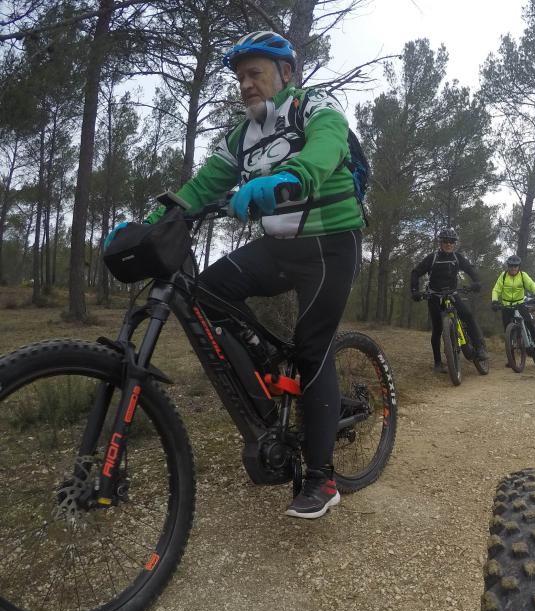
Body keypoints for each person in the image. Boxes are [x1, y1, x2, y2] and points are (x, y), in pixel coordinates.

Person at [105, 31, 364, 519]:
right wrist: (149, 225)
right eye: (240, 77)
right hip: (280, 246)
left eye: (254, 73)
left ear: (285, 73)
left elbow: (327, 147)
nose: (245, 84)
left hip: (330, 244)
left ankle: (321, 478)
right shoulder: (241, 136)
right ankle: (269, 366)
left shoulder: (313, 106)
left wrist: (291, 177)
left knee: (313, 350)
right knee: (205, 293)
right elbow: (200, 188)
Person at [410, 227, 487, 372]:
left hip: (452, 294)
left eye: (452, 241)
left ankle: (479, 348)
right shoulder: (432, 258)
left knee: (468, 316)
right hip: (434, 296)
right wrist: (414, 291)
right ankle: (438, 364)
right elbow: (415, 272)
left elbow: (470, 269)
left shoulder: (457, 257)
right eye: (445, 241)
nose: (449, 244)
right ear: (440, 242)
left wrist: (476, 282)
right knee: (437, 330)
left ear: (455, 243)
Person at [491, 255, 535, 366]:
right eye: (511, 266)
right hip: (506, 306)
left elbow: (531, 284)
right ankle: (511, 359)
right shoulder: (503, 276)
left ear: (519, 266)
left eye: (516, 266)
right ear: (508, 266)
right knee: (508, 333)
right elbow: (496, 289)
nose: (513, 268)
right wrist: (494, 301)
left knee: (529, 322)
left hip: (520, 304)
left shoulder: (523, 275)